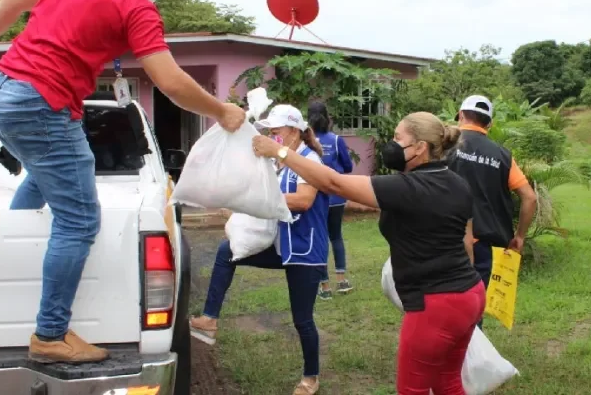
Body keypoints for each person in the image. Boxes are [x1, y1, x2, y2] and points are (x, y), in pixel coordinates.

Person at [0, 0, 246, 364]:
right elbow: (170, 82)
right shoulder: (136, 6)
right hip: (39, 102)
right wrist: (222, 111)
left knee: (52, 166)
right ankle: (50, 334)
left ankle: (19, 235)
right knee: (80, 220)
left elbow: (13, 0)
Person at [252, 112, 483, 395]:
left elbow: (333, 183)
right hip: (470, 293)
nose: (392, 144)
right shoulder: (457, 182)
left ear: (420, 147)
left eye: (399, 139)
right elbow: (467, 241)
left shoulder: (408, 188)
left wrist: (278, 150)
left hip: (435, 304)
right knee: (448, 382)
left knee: (413, 389)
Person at [190, 104, 329, 395]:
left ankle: (311, 377)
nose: (272, 137)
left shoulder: (309, 158)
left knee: (302, 319)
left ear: (293, 131)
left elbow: (304, 200)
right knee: (226, 251)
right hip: (281, 246)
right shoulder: (281, 161)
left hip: (305, 251)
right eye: (270, 133)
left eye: (276, 132)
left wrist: (262, 197)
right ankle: (210, 319)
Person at [446, 95, 537, 327]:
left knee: (444, 303)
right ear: (490, 124)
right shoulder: (502, 155)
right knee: (474, 307)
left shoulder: (445, 146)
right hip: (486, 244)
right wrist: (519, 236)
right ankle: (473, 351)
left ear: (461, 115)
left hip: (446, 239)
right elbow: (529, 197)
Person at [306, 101, 355, 300]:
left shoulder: (306, 143)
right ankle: (342, 281)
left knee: (320, 238)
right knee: (336, 237)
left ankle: (324, 287)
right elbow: (348, 167)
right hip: (336, 197)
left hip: (315, 197)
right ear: (328, 118)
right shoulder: (336, 140)